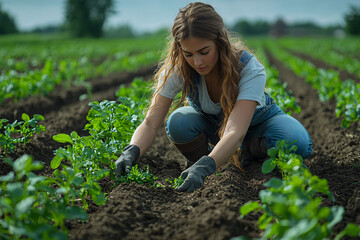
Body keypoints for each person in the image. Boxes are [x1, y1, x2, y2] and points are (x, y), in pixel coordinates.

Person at [115, 2, 313, 192]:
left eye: (204, 51)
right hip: (214, 128)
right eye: (189, 54)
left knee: (293, 141)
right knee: (178, 122)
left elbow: (235, 131)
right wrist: (131, 150)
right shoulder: (178, 69)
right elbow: (150, 123)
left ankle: (244, 154)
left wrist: (206, 167)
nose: (197, 62)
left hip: (259, 125)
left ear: (220, 42)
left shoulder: (248, 68)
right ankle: (205, 159)